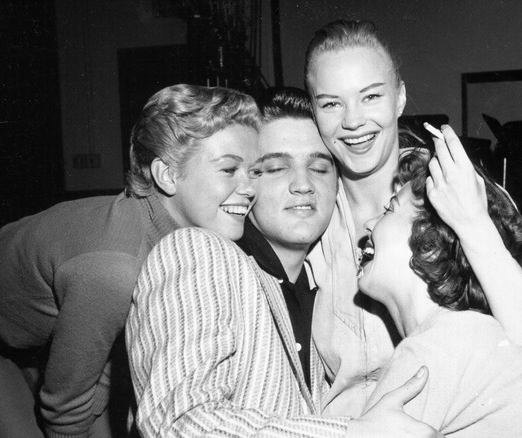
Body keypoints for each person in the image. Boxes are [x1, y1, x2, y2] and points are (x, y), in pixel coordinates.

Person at [0, 84, 261, 438]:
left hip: (27, 326)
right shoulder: (113, 269)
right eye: (229, 170)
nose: (250, 188)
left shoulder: (178, 240)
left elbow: (104, 359)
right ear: (167, 175)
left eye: (256, 171)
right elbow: (64, 407)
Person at [126, 87, 440, 438]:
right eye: (274, 168)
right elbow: (178, 421)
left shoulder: (323, 292)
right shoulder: (200, 251)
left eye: (320, 168)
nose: (303, 184)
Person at [303, 19, 522, 416]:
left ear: (399, 99)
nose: (352, 121)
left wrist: (473, 224)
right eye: (331, 103)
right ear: (313, 111)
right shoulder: (306, 210)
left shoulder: (458, 190)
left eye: (370, 97)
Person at [358, 152, 522, 436]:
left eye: (389, 210)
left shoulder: (433, 348)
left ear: (431, 244)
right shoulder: (468, 332)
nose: (368, 224)